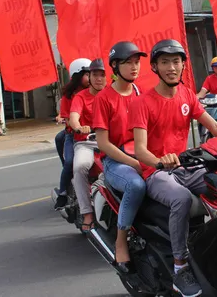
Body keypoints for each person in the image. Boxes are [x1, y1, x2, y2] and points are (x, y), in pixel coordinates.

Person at [130, 39, 217, 297]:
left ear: (183, 65)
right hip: (156, 172)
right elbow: (140, 150)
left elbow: (214, 128)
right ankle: (181, 267)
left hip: (185, 167)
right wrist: (160, 161)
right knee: (181, 199)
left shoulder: (186, 95)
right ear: (155, 67)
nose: (171, 67)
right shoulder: (143, 102)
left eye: (176, 62)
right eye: (165, 62)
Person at [93, 41, 148, 274]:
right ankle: (121, 239)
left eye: (137, 62)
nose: (135, 67)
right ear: (115, 66)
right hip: (115, 161)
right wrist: (135, 163)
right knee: (136, 185)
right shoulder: (104, 99)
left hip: (142, 155)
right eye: (128, 63)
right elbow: (103, 143)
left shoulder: (140, 94)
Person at [68, 58, 106, 232]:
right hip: (87, 142)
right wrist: (78, 127)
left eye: (102, 75)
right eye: (95, 75)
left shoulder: (112, 94)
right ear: (89, 77)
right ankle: (87, 213)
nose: (99, 79)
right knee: (80, 167)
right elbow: (74, 117)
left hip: (111, 142)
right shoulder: (80, 97)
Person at [54, 58, 91, 209]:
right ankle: (62, 194)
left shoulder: (97, 92)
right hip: (74, 135)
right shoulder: (69, 97)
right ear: (77, 75)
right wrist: (80, 127)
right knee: (70, 163)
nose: (92, 78)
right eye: (88, 75)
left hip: (97, 134)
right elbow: (68, 119)